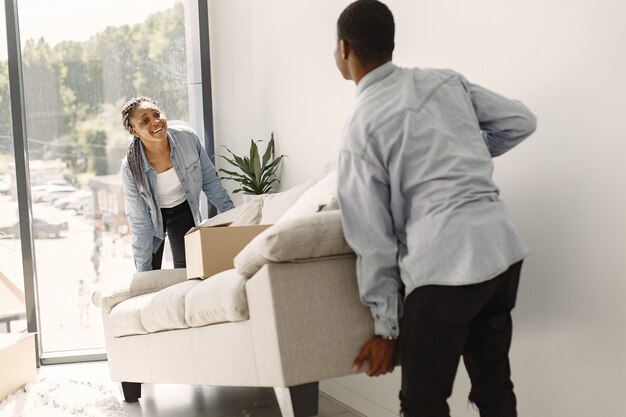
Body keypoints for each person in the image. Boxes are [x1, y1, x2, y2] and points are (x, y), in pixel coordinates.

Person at [334, 2, 537, 416]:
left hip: (445, 270)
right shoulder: (443, 82)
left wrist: (386, 329)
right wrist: (459, 153)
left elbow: (373, 240)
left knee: (423, 403)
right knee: (494, 387)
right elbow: (520, 121)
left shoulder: (360, 128)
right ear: (390, 43)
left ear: (344, 50)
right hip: (501, 255)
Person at [121, 97, 234, 272]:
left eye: (156, 114)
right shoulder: (130, 168)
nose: (155, 121)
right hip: (150, 218)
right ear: (135, 132)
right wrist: (143, 273)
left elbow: (211, 182)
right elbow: (140, 221)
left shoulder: (187, 139)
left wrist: (235, 220)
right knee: (149, 273)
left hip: (182, 208)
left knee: (188, 271)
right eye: (145, 121)